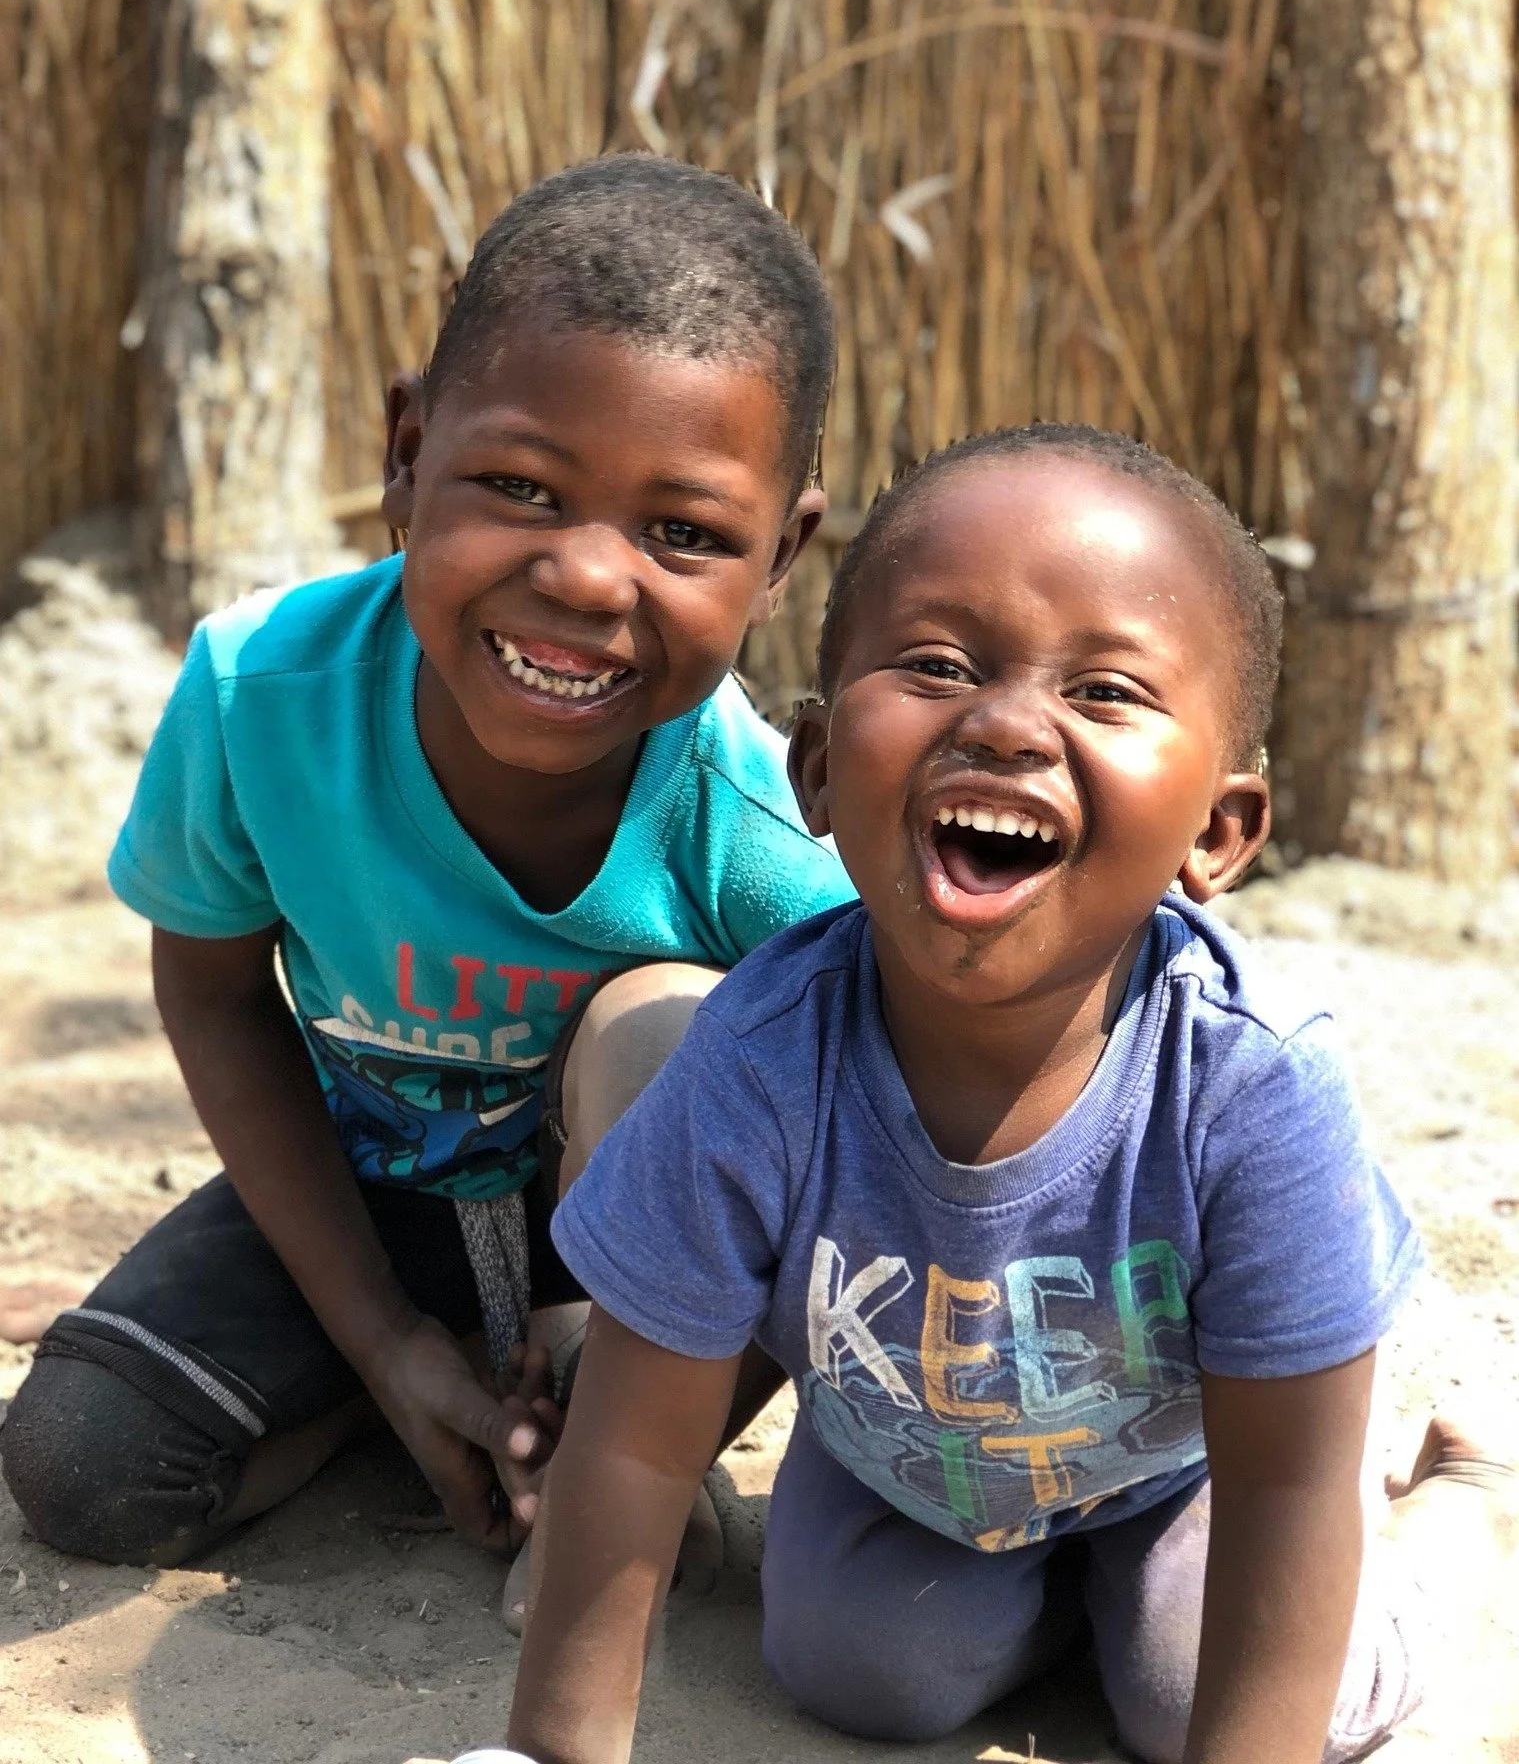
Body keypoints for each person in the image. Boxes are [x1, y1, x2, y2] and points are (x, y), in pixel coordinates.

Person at [494, 424, 1515, 1764]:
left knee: (1196, 1690)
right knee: (862, 1673)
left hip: (1184, 1473)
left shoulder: (1247, 1084)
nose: (1004, 722)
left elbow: (1284, 1481)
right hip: (906, 1477)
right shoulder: (758, 1059)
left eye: (1103, 693)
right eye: (934, 665)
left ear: (1216, 831)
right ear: (811, 769)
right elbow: (635, 1448)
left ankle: (1463, 1506)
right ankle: (1050, 1611)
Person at [0, 154, 856, 1580]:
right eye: (519, 487)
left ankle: (586, 1441)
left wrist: (652, 1425)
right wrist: (387, 1347)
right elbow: (214, 996)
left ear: (778, 560)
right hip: (367, 1205)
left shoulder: (757, 835)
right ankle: (398, 1398)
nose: (587, 577)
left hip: (628, 1272)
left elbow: (851, 1147)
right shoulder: (261, 697)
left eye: (683, 533)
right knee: (80, 1468)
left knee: (673, 1028)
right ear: (406, 455)